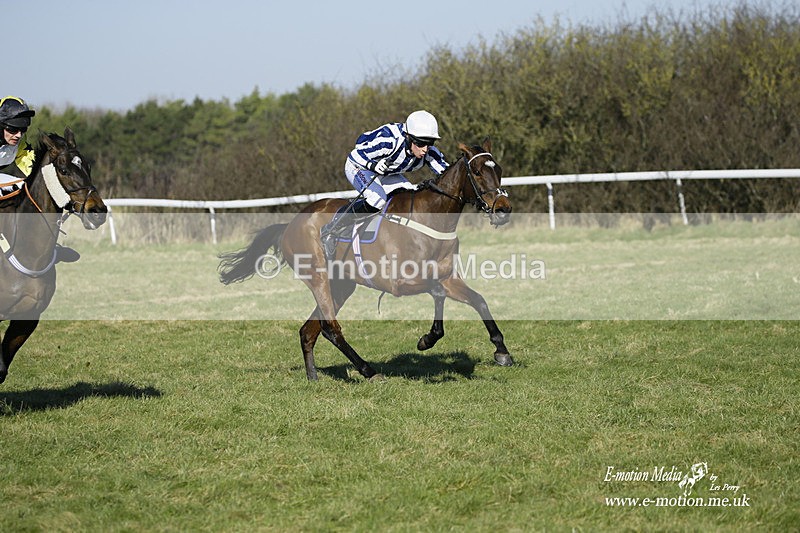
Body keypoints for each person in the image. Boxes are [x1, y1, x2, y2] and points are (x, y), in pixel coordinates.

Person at [321, 110, 449, 259]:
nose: (425, 149)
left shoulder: (428, 152)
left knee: (410, 198)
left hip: (387, 173)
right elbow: (354, 156)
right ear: (408, 138)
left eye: (430, 143)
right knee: (377, 200)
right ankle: (331, 229)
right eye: (420, 143)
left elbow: (447, 174)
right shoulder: (389, 142)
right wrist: (373, 166)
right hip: (359, 166)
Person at [0, 96, 36, 196]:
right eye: (13, 129)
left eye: (23, 129)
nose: (18, 135)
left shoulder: (21, 143)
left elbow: (32, 169)